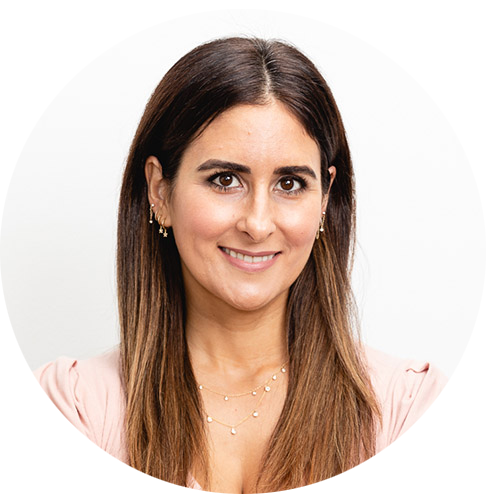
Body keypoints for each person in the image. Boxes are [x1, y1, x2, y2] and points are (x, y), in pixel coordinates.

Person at [34, 37, 448, 494]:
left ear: (325, 198)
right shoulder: (73, 409)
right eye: (225, 179)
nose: (257, 223)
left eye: (290, 184)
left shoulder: (410, 410)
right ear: (159, 191)